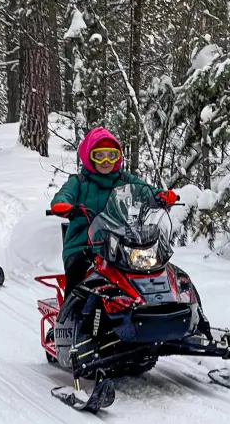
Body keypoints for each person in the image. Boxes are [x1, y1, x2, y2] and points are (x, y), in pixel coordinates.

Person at [50, 127, 177, 298]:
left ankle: (152, 309)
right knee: (77, 271)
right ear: (89, 157)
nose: (106, 161)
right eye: (99, 155)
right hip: (84, 244)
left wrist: (160, 196)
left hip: (119, 242)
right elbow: (64, 195)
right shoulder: (79, 181)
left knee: (151, 269)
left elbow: (145, 190)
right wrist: (63, 205)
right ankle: (67, 320)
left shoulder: (123, 179)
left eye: (111, 155)